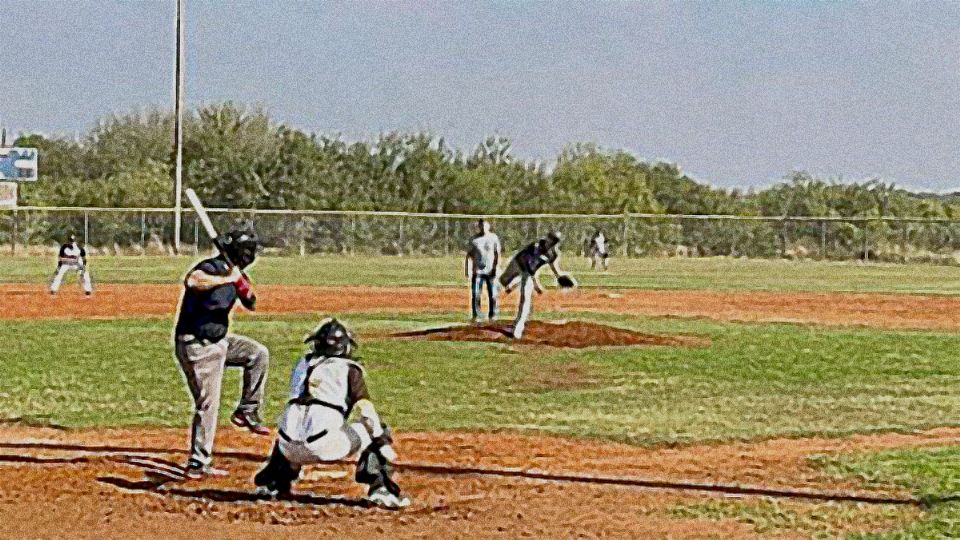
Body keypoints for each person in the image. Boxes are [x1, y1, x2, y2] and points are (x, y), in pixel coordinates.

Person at [254, 318, 410, 509]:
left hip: (288, 450)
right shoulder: (349, 369)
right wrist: (380, 442)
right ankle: (382, 489)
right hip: (324, 447)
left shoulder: (302, 364)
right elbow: (366, 412)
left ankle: (273, 484)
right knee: (375, 429)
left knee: (291, 425)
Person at [173, 228, 271, 479]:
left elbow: (251, 302)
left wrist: (241, 284)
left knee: (257, 354)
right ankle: (198, 462)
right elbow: (193, 281)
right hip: (198, 345)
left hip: (219, 342)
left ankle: (247, 409)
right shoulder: (213, 268)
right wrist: (228, 279)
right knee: (208, 403)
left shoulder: (236, 273)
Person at [499, 231, 565, 339]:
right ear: (547, 238)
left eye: (555, 241)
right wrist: (536, 284)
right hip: (518, 263)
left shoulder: (553, 253)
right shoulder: (536, 246)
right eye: (552, 239)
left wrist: (559, 277)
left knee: (525, 298)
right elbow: (528, 266)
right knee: (503, 281)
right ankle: (516, 282)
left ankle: (518, 328)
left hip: (529, 272)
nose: (552, 243)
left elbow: (552, 266)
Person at [464, 218, 502, 322]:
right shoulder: (474, 240)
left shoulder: (494, 238)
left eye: (485, 225)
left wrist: (495, 268)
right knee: (476, 294)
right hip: (478, 271)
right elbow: (469, 255)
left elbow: (497, 254)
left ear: (488, 226)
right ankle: (477, 315)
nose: (483, 227)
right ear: (478, 227)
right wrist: (468, 269)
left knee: (493, 294)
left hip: (491, 271)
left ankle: (493, 315)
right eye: (481, 225)